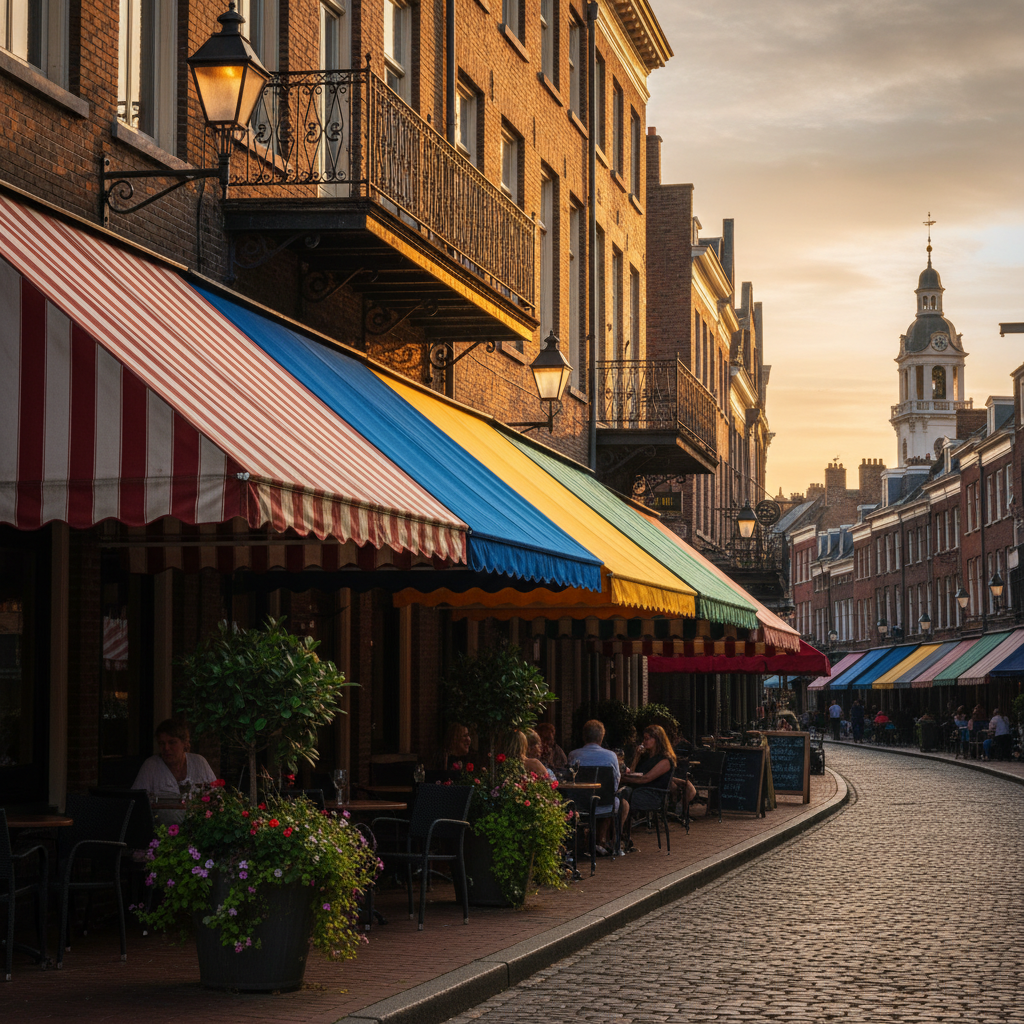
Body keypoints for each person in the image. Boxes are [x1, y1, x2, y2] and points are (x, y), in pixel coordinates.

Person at [132, 719, 216, 824]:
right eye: (162, 743)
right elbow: (135, 803)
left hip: (199, 828)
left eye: (172, 742)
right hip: (162, 830)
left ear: (184, 743)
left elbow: (217, 796)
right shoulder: (151, 766)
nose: (166, 748)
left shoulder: (199, 762)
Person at [568, 720, 626, 855]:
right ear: (601, 737)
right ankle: (604, 841)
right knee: (615, 800)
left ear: (584, 736)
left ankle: (588, 842)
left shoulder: (574, 755)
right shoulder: (611, 756)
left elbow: (571, 778)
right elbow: (616, 782)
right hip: (605, 804)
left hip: (580, 805)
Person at [620, 725, 677, 837]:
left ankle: (619, 834)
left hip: (653, 796)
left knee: (620, 798)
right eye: (644, 739)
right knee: (618, 795)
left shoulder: (665, 760)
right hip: (639, 790)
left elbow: (646, 778)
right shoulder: (645, 757)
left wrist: (623, 778)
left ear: (657, 740)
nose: (644, 742)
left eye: (647, 739)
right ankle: (617, 834)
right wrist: (637, 756)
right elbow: (632, 772)